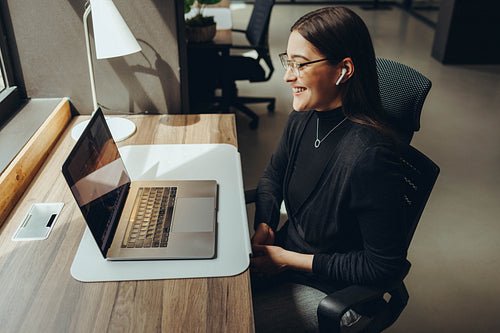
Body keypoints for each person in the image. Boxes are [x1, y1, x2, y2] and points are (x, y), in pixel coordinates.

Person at [250, 6, 410, 332]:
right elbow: (273, 175)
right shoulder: (306, 114)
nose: (287, 75)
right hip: (289, 259)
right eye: (288, 61)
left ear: (343, 70)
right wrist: (265, 223)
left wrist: (286, 259)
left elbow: (383, 267)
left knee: (227, 320)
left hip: (334, 292)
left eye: (301, 64)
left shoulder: (370, 155)